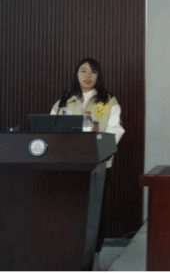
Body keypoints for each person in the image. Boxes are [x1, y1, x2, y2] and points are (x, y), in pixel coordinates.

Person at [50, 58, 124, 272]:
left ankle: (96, 257)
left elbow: (115, 130)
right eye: (83, 71)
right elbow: (51, 129)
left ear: (99, 76)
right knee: (70, 209)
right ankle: (69, 255)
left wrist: (96, 149)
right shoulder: (64, 101)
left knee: (97, 213)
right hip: (69, 166)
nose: (88, 75)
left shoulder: (106, 101)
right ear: (76, 74)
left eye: (93, 71)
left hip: (98, 165)